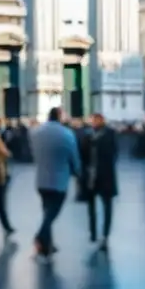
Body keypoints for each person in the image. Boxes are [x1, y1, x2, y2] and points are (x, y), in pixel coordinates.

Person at [30, 107, 81, 260]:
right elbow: (74, 157)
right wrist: (78, 172)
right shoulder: (67, 134)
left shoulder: (36, 132)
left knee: (47, 211)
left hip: (41, 180)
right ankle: (40, 236)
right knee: (51, 214)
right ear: (59, 116)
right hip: (59, 180)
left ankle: (48, 246)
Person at [86, 112, 118, 251]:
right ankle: (93, 232)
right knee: (92, 207)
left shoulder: (108, 134)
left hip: (104, 176)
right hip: (93, 176)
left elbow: (113, 153)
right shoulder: (89, 135)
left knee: (107, 207)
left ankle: (105, 235)